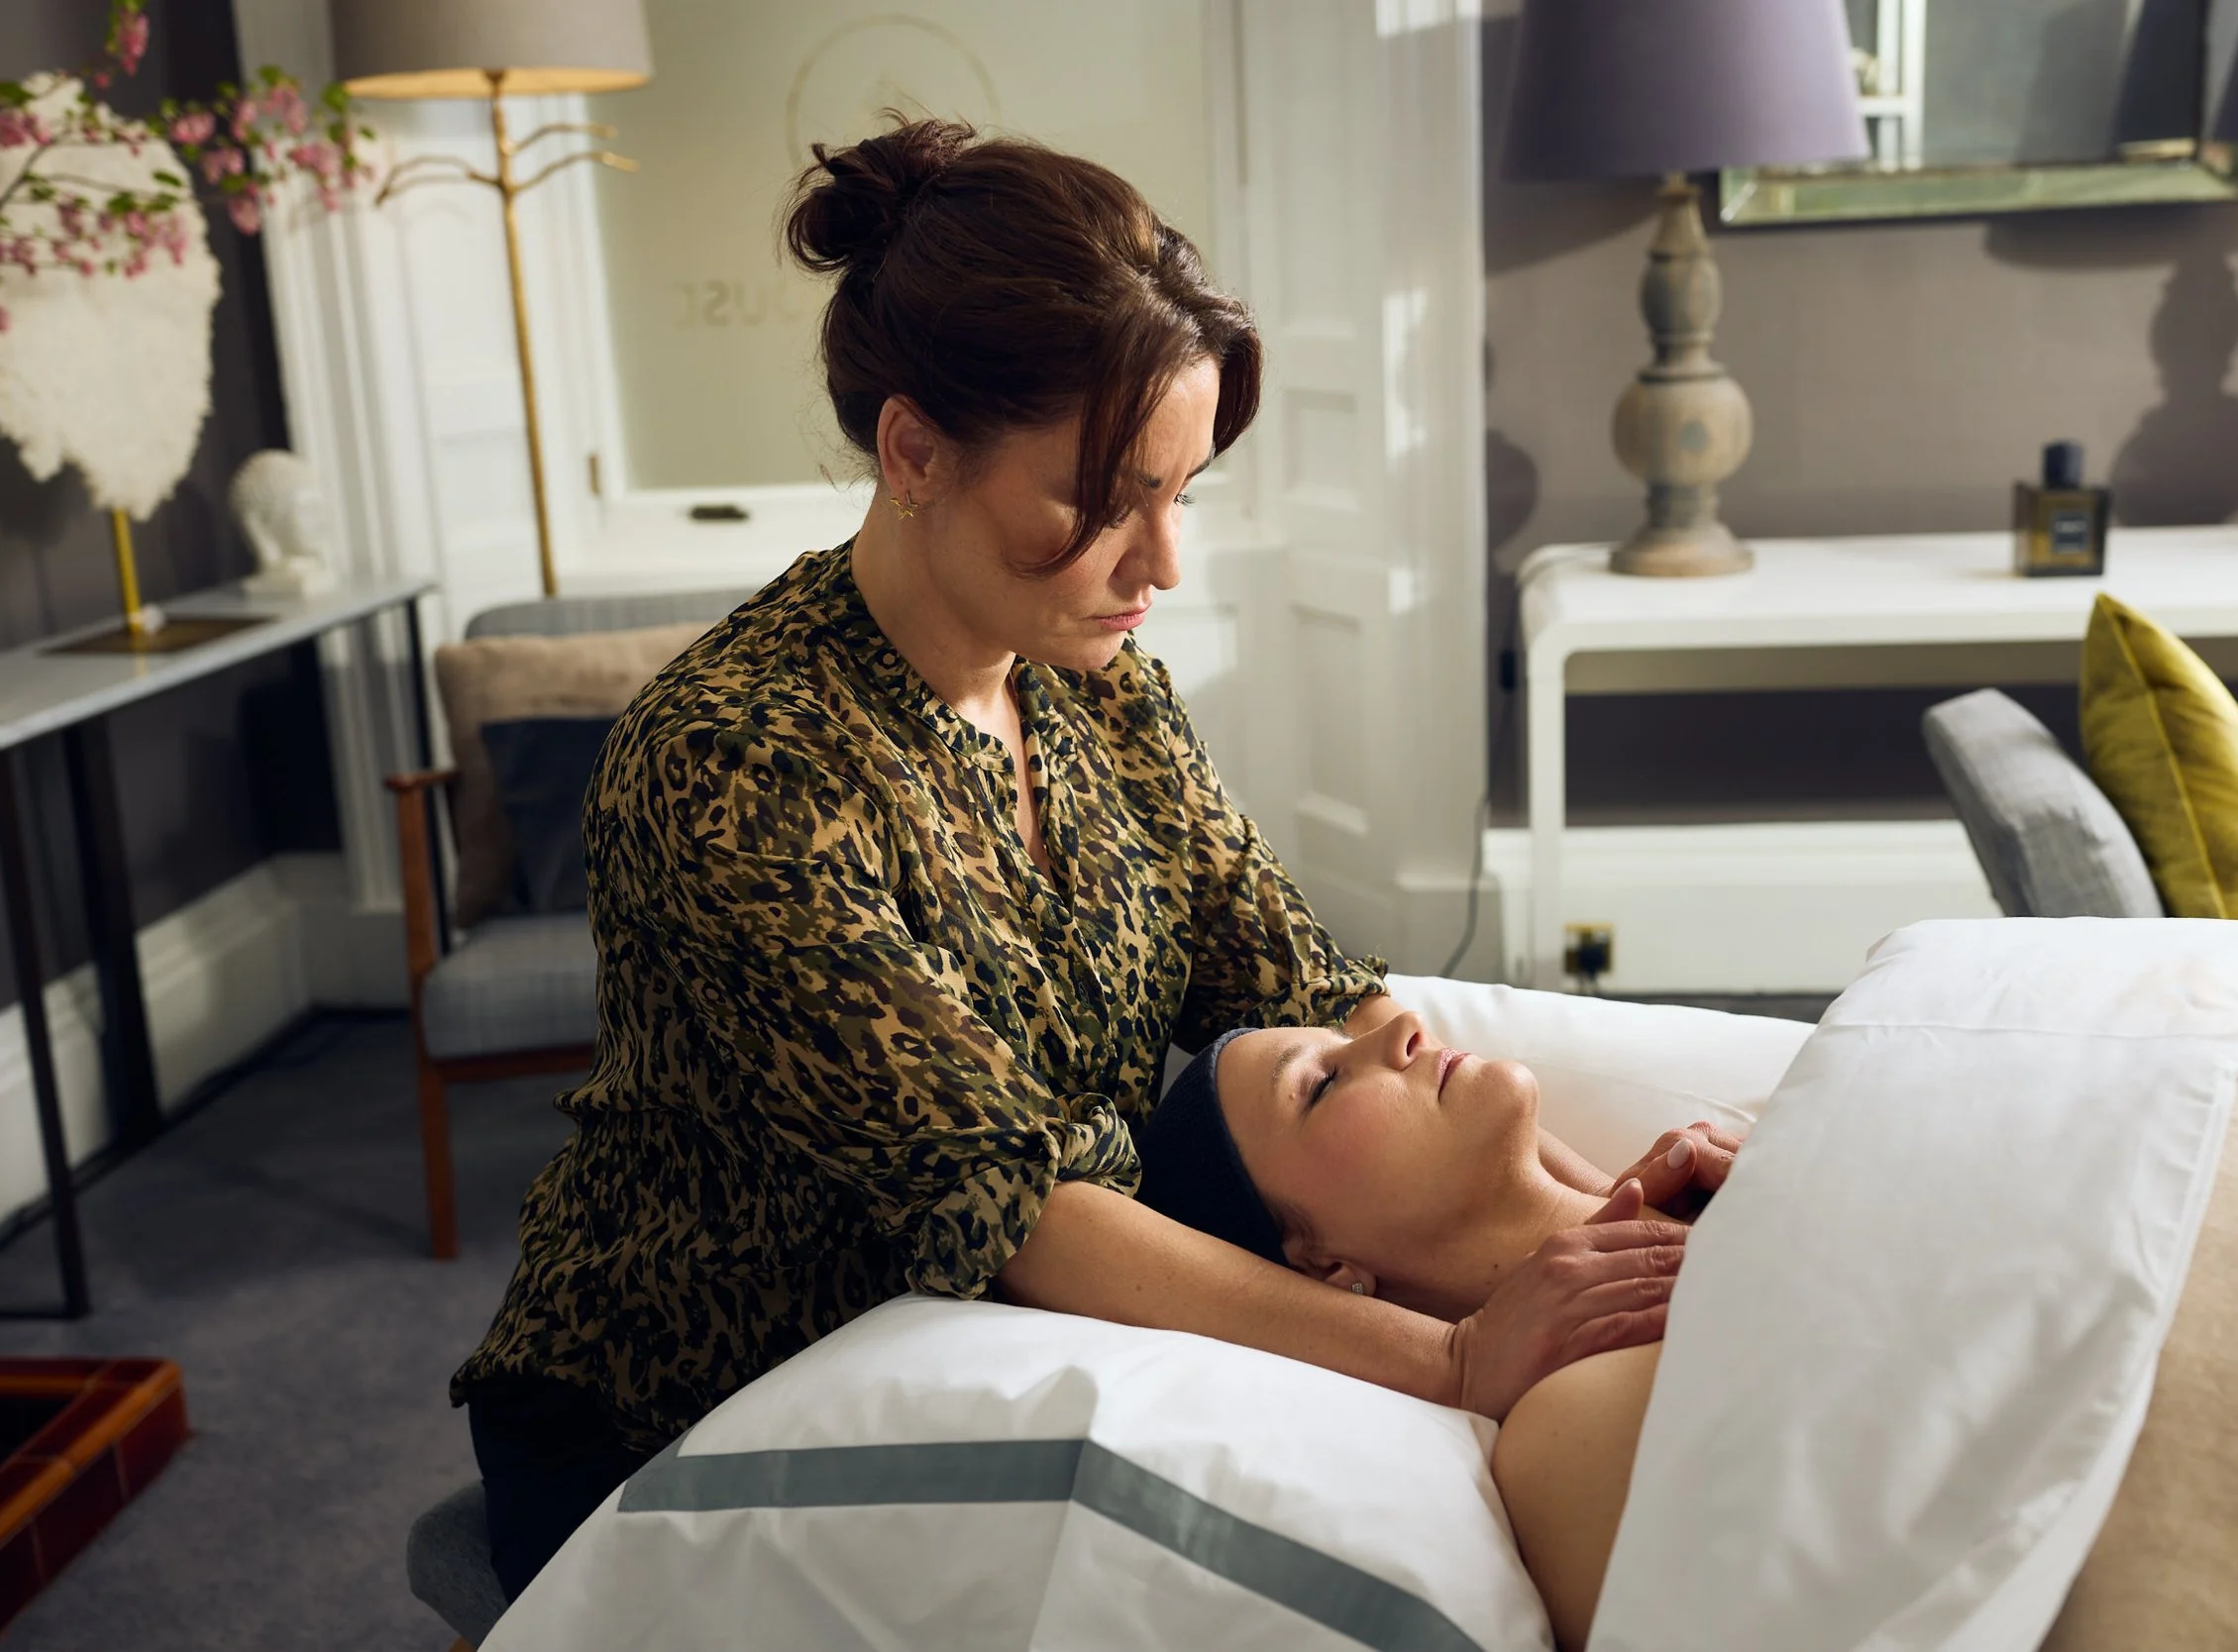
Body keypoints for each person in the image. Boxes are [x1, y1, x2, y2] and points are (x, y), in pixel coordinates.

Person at [449, 118, 1697, 1600]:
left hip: (983, 1332)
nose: (1159, 565)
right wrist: (1453, 1358)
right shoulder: (739, 764)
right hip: (690, 1403)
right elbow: (1010, 1207)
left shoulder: (1101, 689)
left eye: (1180, 496)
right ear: (914, 451)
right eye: (1104, 504)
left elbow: (1313, 986)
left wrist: (1607, 1210)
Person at [1136, 1011, 1747, 1651]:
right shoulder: (1576, 1423)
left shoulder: (1751, 1173)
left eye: (1346, 1042)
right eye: (1322, 1083)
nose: (1403, 1025)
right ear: (1324, 1264)